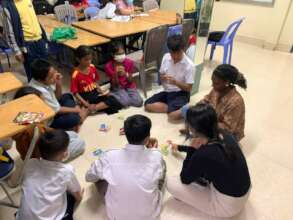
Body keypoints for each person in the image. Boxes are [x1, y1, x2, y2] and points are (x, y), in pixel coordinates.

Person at [167, 103, 251, 218]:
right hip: (244, 191)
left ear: (192, 128)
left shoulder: (204, 154)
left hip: (228, 206)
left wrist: (191, 150)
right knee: (204, 169)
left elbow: (184, 178)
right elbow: (207, 153)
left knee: (171, 183)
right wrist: (180, 148)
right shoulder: (225, 134)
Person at [86, 114, 166, 220]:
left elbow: (89, 177)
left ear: (126, 134)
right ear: (147, 138)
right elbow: (158, 172)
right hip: (150, 215)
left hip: (116, 216)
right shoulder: (156, 156)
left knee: (100, 176)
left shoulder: (109, 156)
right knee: (161, 172)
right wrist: (154, 151)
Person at [16, 130, 84, 220]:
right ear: (65, 154)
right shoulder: (66, 171)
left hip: (22, 217)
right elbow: (78, 196)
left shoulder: (30, 163)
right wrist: (79, 196)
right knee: (71, 196)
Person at [13, 86, 86, 162]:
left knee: (73, 134)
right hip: (44, 157)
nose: (45, 106)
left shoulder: (21, 116)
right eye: (42, 103)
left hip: (43, 147)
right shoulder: (35, 127)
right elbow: (51, 140)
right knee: (81, 143)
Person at [181, 64, 247, 141]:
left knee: (211, 145)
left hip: (228, 134)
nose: (212, 85)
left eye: (216, 83)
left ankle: (201, 135)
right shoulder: (217, 90)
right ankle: (197, 132)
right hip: (213, 121)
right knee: (186, 109)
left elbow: (228, 129)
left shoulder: (236, 102)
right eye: (212, 81)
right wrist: (195, 110)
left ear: (227, 83)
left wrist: (206, 121)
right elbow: (205, 101)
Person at [144, 34, 195, 121]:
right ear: (169, 51)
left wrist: (176, 82)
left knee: (172, 116)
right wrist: (162, 77)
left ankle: (183, 108)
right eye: (172, 53)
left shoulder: (190, 65)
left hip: (181, 93)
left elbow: (189, 88)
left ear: (183, 49)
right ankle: (173, 107)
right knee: (147, 105)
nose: (175, 56)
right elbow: (161, 74)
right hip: (168, 91)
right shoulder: (166, 57)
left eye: (178, 53)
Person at [29, 59, 88, 130]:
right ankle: (79, 119)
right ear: (40, 80)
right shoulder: (40, 91)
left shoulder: (43, 81)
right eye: (51, 76)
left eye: (54, 72)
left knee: (67, 96)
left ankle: (74, 122)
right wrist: (76, 110)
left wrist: (58, 84)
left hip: (54, 108)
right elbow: (57, 110)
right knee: (73, 118)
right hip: (49, 120)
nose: (54, 76)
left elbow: (58, 97)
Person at [0, 0, 48, 81]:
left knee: (46, 71)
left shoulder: (28, 1)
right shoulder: (7, 7)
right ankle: (35, 92)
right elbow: (9, 32)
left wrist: (44, 38)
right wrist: (17, 51)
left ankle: (47, 92)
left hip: (40, 41)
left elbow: (34, 20)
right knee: (32, 74)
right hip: (27, 45)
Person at [71, 45, 122, 114]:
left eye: (90, 59)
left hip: (95, 93)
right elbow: (75, 93)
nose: (89, 61)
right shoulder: (75, 74)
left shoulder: (92, 67)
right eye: (86, 59)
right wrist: (85, 103)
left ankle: (92, 108)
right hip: (86, 97)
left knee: (116, 105)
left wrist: (101, 92)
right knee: (112, 104)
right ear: (78, 59)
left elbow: (94, 82)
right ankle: (90, 108)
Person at [105, 42, 143, 108]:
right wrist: (115, 74)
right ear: (112, 54)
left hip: (129, 85)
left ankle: (124, 97)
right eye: (119, 54)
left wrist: (125, 74)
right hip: (118, 87)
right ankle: (112, 94)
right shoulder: (108, 66)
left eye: (123, 53)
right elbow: (115, 84)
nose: (122, 56)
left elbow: (131, 81)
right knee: (126, 103)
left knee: (139, 102)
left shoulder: (129, 62)